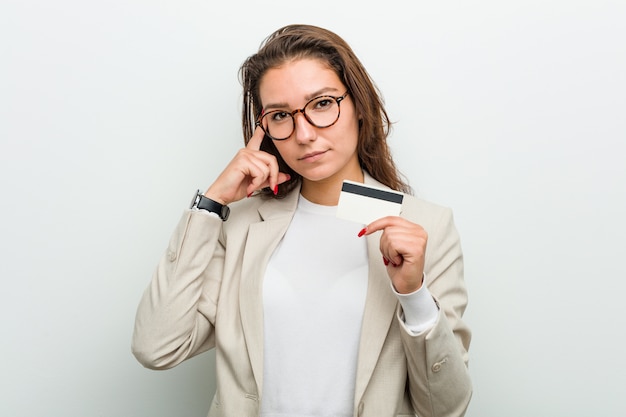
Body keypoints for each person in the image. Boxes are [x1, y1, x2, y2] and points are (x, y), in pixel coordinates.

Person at [132, 24, 472, 417]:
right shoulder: (242, 227)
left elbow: (447, 407)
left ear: (359, 105)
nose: (305, 133)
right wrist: (211, 204)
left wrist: (414, 296)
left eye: (323, 104)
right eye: (281, 115)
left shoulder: (425, 226)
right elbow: (156, 347)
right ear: (265, 130)